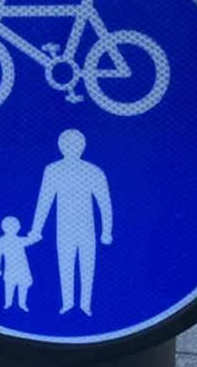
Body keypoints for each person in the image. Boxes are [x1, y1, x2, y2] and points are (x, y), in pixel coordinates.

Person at [27, 129, 113, 316]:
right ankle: (67, 303)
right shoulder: (53, 170)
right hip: (64, 227)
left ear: (83, 146)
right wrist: (36, 229)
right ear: (60, 146)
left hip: (87, 227)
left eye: (76, 144)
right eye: (67, 144)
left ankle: (85, 304)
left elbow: (104, 203)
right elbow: (44, 201)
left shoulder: (93, 171)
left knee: (87, 265)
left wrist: (106, 231)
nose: (71, 148)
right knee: (65, 265)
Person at [0, 216, 33, 311]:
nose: (14, 228)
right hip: (10, 269)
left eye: (15, 226)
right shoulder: (1, 241)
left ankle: (22, 304)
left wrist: (36, 236)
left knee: (23, 285)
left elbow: (29, 241)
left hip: (22, 268)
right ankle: (8, 303)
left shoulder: (19, 240)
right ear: (4, 227)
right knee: (9, 285)